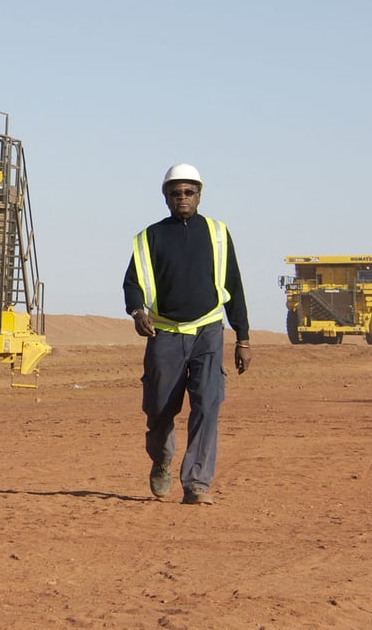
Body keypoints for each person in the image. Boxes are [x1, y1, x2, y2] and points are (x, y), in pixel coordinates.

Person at [122, 163, 251, 506]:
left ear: (199, 195)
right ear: (165, 197)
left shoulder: (218, 234)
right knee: (160, 409)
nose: (183, 198)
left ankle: (196, 483)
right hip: (165, 333)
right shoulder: (150, 237)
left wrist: (243, 337)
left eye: (189, 192)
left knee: (208, 404)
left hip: (208, 331)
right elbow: (132, 284)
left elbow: (234, 286)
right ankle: (162, 459)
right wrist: (137, 312)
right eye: (175, 192)